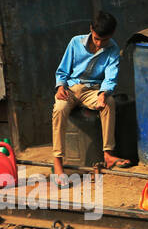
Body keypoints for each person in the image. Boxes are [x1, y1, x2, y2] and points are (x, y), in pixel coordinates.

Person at [52, 11, 128, 180]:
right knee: (59, 108)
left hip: (93, 91)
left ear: (111, 35)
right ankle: (58, 162)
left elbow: (110, 76)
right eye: (96, 39)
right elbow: (62, 71)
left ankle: (108, 155)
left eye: (104, 40)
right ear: (91, 30)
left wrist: (103, 93)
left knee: (109, 102)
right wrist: (60, 87)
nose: (100, 43)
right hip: (71, 89)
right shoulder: (75, 42)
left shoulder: (113, 49)